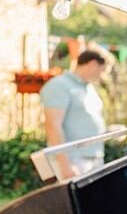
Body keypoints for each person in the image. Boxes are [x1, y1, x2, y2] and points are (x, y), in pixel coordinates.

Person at [40, 49, 107, 178]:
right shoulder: (59, 85)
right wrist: (64, 165)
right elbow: (53, 126)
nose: (102, 76)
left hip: (95, 158)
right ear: (93, 64)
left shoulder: (89, 87)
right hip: (74, 160)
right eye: (102, 70)